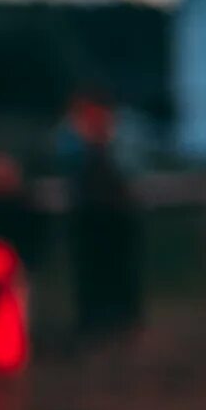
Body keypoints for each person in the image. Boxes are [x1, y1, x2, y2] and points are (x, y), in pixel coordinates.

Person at [65, 90, 143, 339]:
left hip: (115, 217)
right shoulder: (76, 143)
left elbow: (129, 172)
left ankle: (122, 322)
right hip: (90, 218)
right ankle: (96, 323)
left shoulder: (121, 138)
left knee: (120, 274)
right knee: (93, 275)